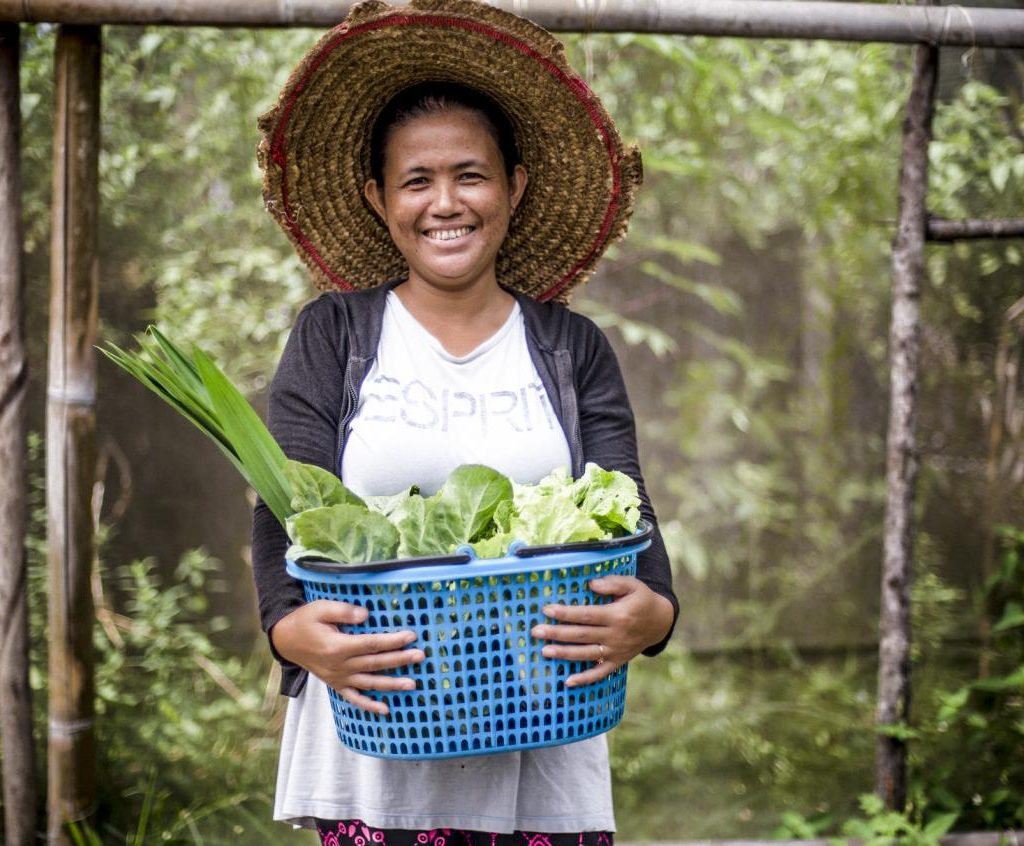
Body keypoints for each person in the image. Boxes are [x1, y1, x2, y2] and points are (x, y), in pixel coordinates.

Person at [252, 1, 679, 842]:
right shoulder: (335, 334)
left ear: (513, 187)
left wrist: (655, 616)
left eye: (471, 174)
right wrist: (289, 628)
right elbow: (283, 505)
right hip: (379, 738)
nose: (445, 202)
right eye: (416, 180)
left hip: (541, 740)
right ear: (379, 198)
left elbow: (631, 516)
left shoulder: (570, 346)